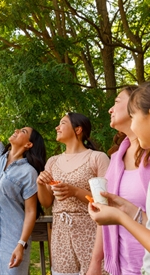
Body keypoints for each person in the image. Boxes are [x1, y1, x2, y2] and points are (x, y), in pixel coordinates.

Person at [0, 78, 47, 275]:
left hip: (12, 239)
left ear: (29, 144)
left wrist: (21, 244)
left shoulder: (28, 172)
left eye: (22, 131)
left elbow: (31, 212)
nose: (16, 130)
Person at [87, 85, 150, 275]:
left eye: (117, 102)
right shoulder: (116, 158)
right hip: (123, 267)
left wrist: (120, 217)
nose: (110, 109)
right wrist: (96, 261)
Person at [37, 112, 110, 275]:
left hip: (91, 234)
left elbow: (106, 201)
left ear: (78, 130)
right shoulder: (53, 161)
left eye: (62, 123)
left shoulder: (97, 158)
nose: (57, 127)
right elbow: (47, 202)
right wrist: (40, 184)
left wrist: (75, 191)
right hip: (60, 238)